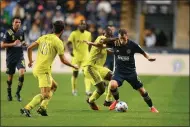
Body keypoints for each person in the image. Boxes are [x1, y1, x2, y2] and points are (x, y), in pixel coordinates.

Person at [20, 20, 78, 117]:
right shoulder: (58, 42)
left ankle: (43, 108)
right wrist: (73, 65)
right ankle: (27, 108)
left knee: (54, 86)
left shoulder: (44, 37)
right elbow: (63, 60)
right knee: (45, 94)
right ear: (62, 30)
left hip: (37, 68)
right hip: (44, 70)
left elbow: (29, 48)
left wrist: (30, 61)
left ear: (53, 28)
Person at [107, 29, 159, 113]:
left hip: (131, 73)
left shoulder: (133, 45)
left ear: (127, 36)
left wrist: (149, 58)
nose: (122, 40)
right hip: (119, 72)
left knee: (142, 91)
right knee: (112, 85)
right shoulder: (115, 43)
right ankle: (117, 101)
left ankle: (152, 107)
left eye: (123, 38)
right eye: (120, 38)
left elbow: (143, 53)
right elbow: (102, 42)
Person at [83, 27, 117, 110]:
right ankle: (90, 101)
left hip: (99, 68)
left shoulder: (105, 45)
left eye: (110, 35)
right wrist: (118, 38)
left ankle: (108, 100)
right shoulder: (101, 38)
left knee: (113, 77)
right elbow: (101, 43)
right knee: (101, 89)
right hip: (90, 67)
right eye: (108, 35)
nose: (108, 37)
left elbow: (106, 49)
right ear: (104, 34)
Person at [1, 17, 27, 102]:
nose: (18, 23)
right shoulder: (8, 32)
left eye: (19, 22)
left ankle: (18, 93)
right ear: (13, 23)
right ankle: (9, 93)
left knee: (22, 73)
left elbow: (22, 41)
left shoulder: (21, 32)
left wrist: (24, 44)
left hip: (20, 56)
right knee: (10, 77)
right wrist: (13, 44)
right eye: (16, 22)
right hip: (11, 57)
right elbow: (2, 45)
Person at [67, 20, 92, 96]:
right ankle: (74, 90)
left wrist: (90, 53)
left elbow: (90, 44)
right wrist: (70, 50)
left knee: (87, 73)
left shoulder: (88, 34)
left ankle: (88, 90)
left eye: (84, 24)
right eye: (81, 24)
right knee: (75, 74)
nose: (83, 26)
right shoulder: (74, 33)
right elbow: (68, 43)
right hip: (76, 57)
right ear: (78, 26)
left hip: (86, 57)